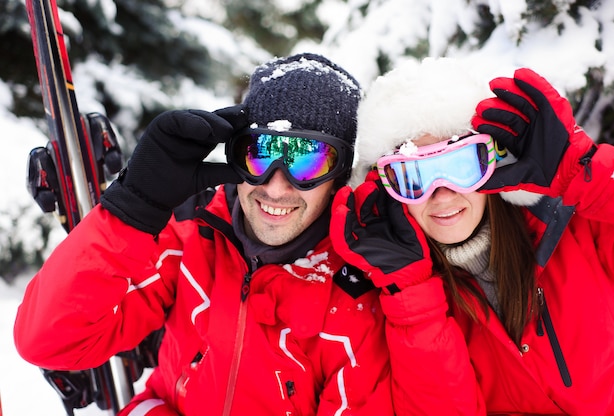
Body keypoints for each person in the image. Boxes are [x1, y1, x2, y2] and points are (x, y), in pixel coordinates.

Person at [14, 53, 393, 416]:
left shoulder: (357, 297)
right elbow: (49, 342)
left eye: (308, 162)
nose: (276, 188)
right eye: (260, 153)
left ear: (339, 176)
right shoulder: (191, 233)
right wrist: (132, 208)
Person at [330, 57, 614, 415]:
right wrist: (414, 298)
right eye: (414, 176)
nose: (442, 194)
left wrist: (584, 170)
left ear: (493, 163)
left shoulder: (573, 231)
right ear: (385, 189)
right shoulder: (391, 296)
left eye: (458, 165)